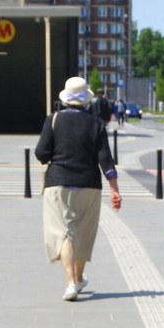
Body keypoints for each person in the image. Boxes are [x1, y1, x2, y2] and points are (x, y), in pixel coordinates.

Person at [35, 77, 122, 302]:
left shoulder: (53, 120)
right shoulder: (95, 124)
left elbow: (41, 153)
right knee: (83, 234)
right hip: (89, 184)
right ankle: (79, 277)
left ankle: (71, 282)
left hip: (58, 183)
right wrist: (115, 189)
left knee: (64, 232)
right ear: (86, 100)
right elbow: (105, 158)